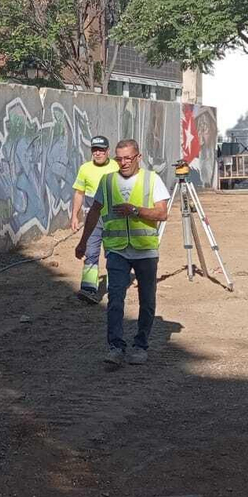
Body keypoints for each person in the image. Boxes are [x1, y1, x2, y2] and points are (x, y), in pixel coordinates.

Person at [74, 139, 170, 366]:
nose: (123, 163)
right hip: (117, 251)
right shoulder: (107, 182)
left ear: (139, 157)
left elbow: (162, 213)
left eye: (128, 158)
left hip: (145, 251)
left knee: (147, 300)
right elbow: (95, 212)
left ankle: (140, 345)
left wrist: (135, 210)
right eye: (119, 158)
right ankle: (116, 347)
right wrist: (83, 241)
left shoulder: (151, 179)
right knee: (115, 300)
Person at [70, 134, 118, 303]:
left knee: (113, 253)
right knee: (90, 251)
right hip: (93, 217)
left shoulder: (117, 166)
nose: (98, 153)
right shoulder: (85, 169)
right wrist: (74, 215)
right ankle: (89, 289)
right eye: (95, 150)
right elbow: (79, 193)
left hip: (113, 217)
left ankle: (115, 288)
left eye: (101, 150)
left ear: (108, 151)